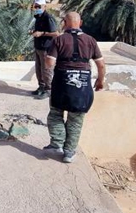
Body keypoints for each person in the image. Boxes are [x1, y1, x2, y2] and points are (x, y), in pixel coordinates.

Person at [43, 11, 106, 163]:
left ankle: (57, 143)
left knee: (56, 113)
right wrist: (100, 81)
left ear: (64, 23)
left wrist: (47, 58)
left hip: (61, 85)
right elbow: (101, 65)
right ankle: (69, 153)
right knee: (76, 119)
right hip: (83, 87)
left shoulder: (59, 40)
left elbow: (49, 64)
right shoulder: (91, 41)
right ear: (81, 23)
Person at [30, 0, 59, 99]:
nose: (37, 8)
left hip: (46, 48)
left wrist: (42, 33)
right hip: (38, 47)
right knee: (39, 69)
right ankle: (41, 87)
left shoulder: (48, 18)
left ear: (44, 6)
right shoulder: (38, 17)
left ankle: (48, 89)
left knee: (46, 70)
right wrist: (34, 32)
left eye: (39, 6)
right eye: (36, 6)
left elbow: (56, 33)